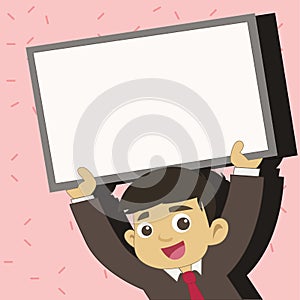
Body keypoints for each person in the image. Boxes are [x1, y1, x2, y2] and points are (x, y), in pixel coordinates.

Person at [67, 141, 284, 299]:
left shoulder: (221, 260)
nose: (164, 236)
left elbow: (242, 221)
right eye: (147, 230)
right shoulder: (151, 276)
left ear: (215, 230)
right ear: (132, 239)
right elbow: (111, 251)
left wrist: (247, 170)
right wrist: (85, 197)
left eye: (182, 223)